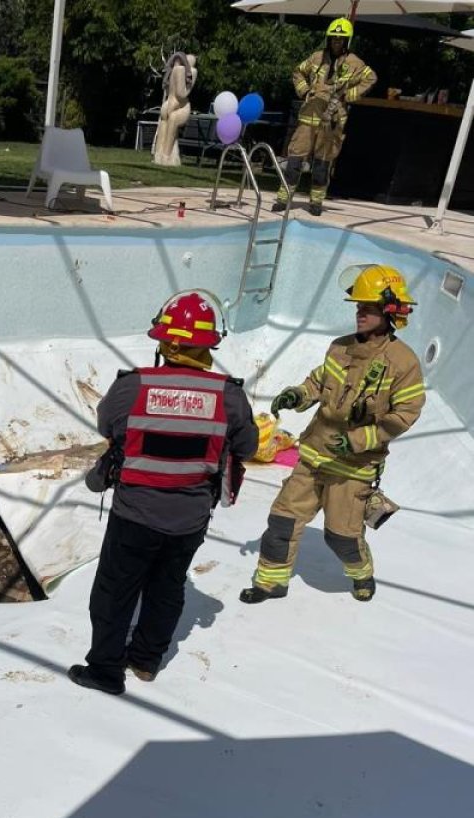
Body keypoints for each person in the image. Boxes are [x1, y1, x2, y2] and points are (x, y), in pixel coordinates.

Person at [68, 291, 259, 696]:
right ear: (208, 345)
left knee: (114, 592)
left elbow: (108, 427)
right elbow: (248, 448)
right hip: (189, 519)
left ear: (165, 342)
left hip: (134, 514)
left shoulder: (132, 386)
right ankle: (145, 660)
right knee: (167, 587)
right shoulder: (230, 395)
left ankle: (105, 670)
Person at [240, 264, 425, 606]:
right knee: (282, 521)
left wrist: (356, 441)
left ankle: (361, 573)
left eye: (368, 308)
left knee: (342, 536)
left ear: (390, 312)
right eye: (358, 307)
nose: (359, 314)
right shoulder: (339, 348)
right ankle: (270, 583)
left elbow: (405, 415)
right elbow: (320, 381)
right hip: (314, 454)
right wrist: (298, 394)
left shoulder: (404, 362)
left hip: (353, 467)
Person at [273, 19, 376, 217]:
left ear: (346, 41)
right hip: (308, 117)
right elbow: (298, 72)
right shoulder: (316, 57)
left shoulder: (355, 62)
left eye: (341, 39)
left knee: (322, 164)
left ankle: (316, 202)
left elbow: (371, 78)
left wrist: (349, 95)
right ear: (328, 39)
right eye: (333, 39)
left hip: (332, 120)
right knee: (294, 161)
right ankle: (283, 198)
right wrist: (304, 92)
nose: (336, 43)